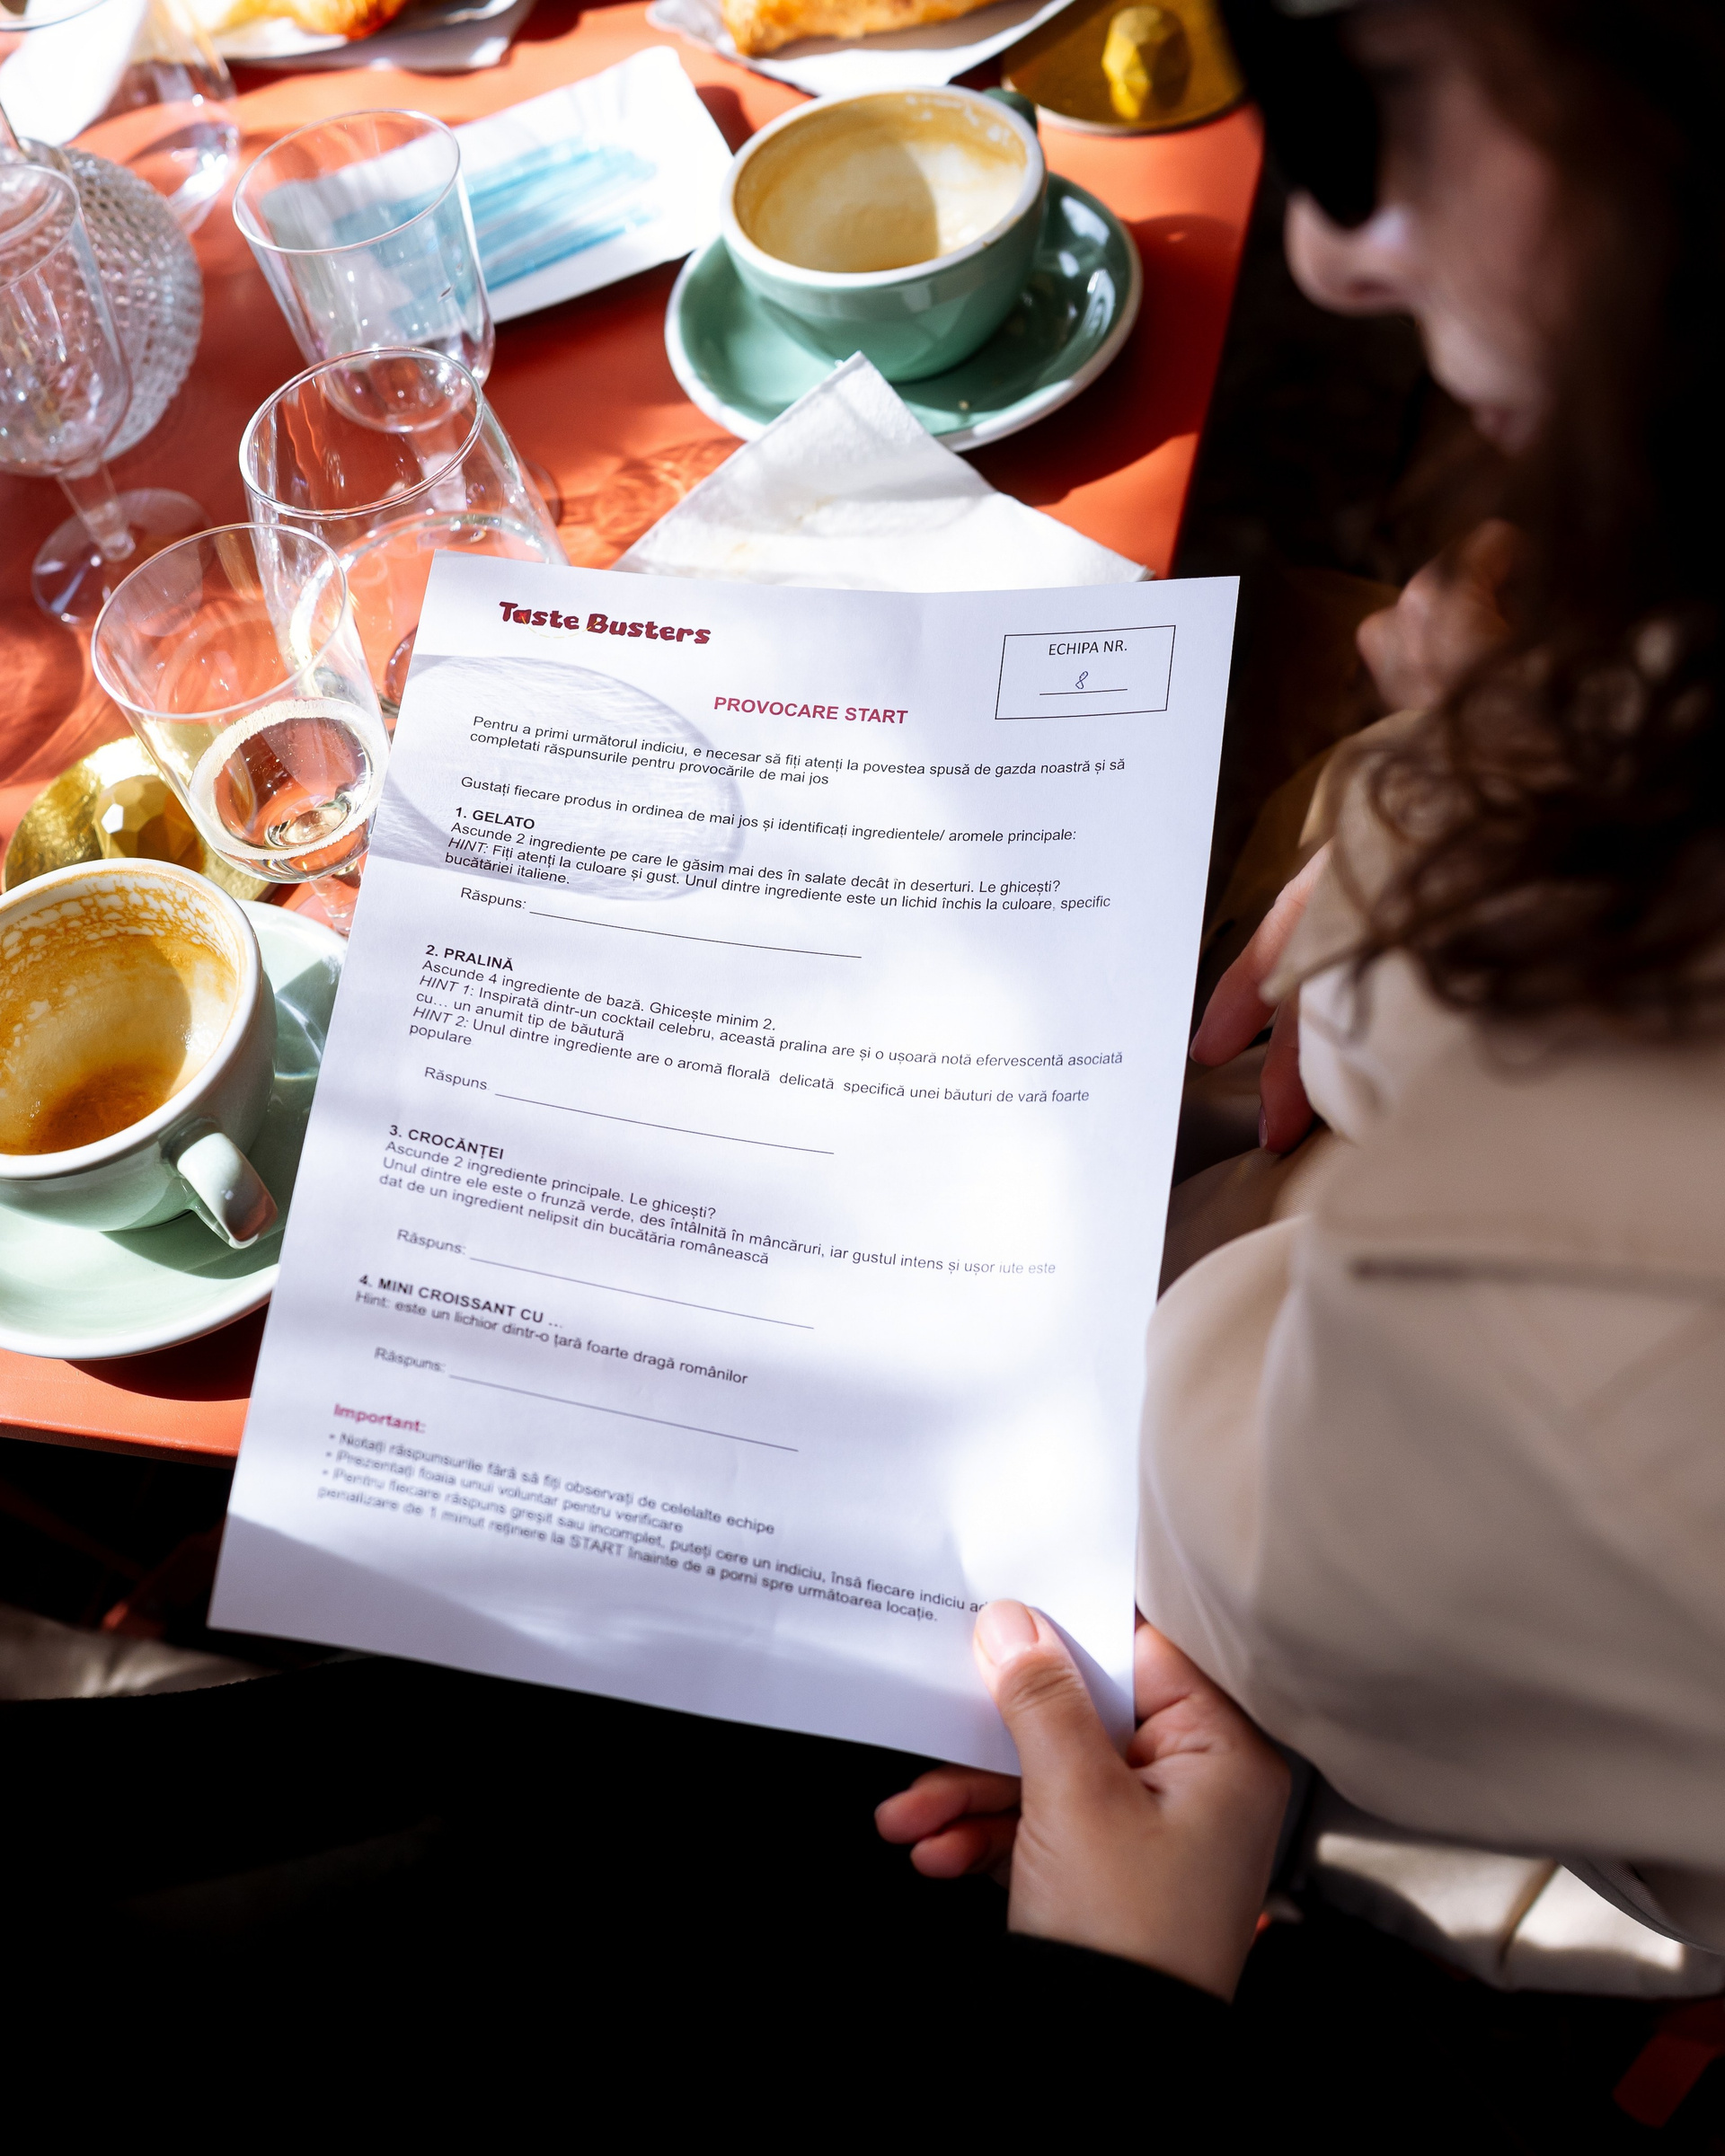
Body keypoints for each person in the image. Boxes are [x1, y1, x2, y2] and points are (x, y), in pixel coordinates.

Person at [882, 0, 1725, 1980]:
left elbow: (1265, 1547)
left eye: (1360, 113)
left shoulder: (1568, 1324)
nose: (1331, 254)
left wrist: (1130, 1964)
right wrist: (1486, 770)